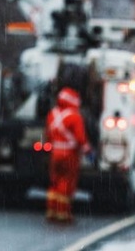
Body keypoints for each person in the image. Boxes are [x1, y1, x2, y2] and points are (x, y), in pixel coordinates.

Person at [45, 87, 91, 224]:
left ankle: (51, 211)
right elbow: (80, 138)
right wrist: (88, 150)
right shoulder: (75, 117)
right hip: (69, 154)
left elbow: (48, 135)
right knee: (66, 182)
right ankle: (63, 213)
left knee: (55, 181)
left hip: (55, 153)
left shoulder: (52, 114)